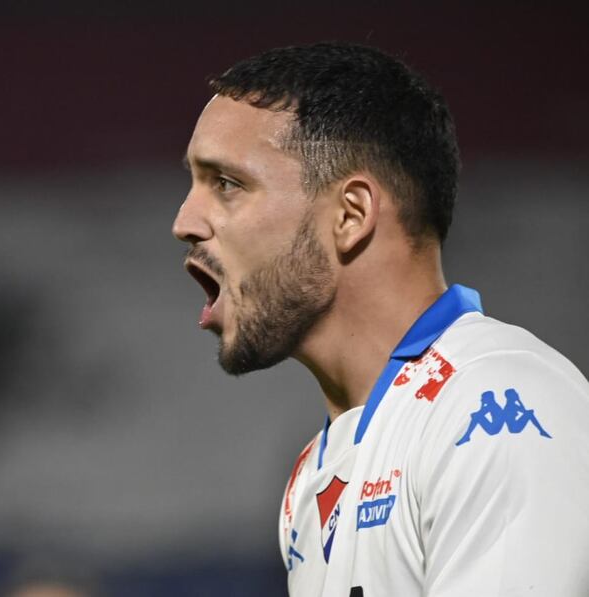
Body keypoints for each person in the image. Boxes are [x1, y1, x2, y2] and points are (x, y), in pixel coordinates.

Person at [172, 42, 589, 596]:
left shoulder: (497, 406)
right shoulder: (311, 477)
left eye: (226, 184)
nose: (185, 221)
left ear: (351, 215)